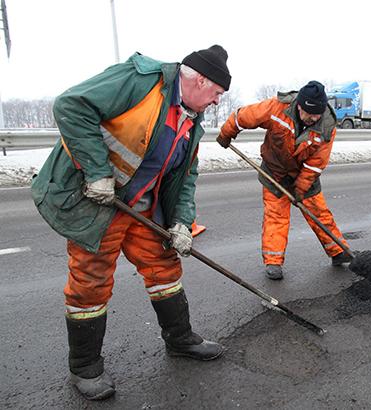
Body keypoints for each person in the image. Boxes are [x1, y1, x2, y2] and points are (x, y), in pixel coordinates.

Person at [31, 45, 231, 400]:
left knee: (164, 269)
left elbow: (185, 177)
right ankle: (85, 366)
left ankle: (180, 339)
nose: (217, 102)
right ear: (199, 79)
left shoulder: (191, 121)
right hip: (97, 201)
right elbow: (70, 105)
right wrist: (96, 172)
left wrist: (183, 222)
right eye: (217, 93)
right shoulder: (140, 82)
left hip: (141, 207)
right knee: (90, 282)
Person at [217, 80, 352, 280]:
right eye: (309, 113)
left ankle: (338, 251)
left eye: (317, 114)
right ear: (299, 106)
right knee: (276, 216)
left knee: (319, 213)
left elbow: (316, 162)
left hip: (304, 173)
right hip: (275, 172)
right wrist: (226, 133)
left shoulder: (327, 125)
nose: (312, 118)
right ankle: (274, 262)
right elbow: (243, 116)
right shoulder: (277, 108)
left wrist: (300, 189)